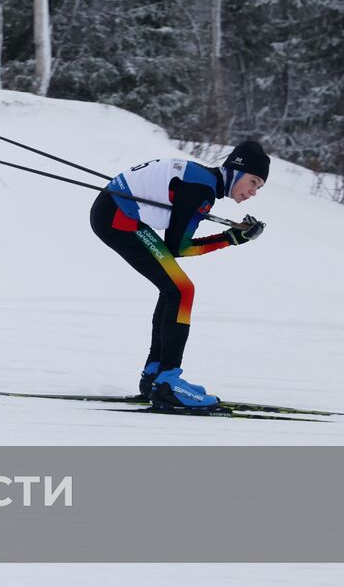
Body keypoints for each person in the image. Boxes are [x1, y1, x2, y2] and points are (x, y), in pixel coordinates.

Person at [88, 140, 270, 409]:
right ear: (236, 171)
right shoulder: (202, 188)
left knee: (175, 289)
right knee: (182, 290)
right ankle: (167, 382)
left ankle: (155, 375)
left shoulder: (202, 181)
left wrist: (231, 236)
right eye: (253, 182)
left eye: (259, 187)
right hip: (118, 218)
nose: (254, 191)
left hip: (117, 214)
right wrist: (230, 239)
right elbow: (179, 248)